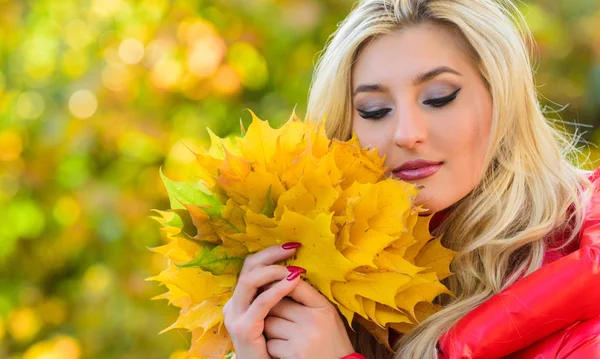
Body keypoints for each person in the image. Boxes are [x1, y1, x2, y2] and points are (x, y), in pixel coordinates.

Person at [222, 0, 600, 358]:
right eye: (374, 110)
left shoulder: (584, 258)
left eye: (439, 98)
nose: (405, 133)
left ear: (503, 98)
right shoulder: (316, 287)